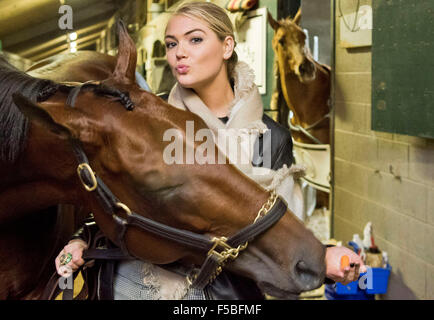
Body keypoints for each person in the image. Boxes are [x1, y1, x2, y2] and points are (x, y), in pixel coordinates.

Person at [55, 1, 365, 300]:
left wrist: (323, 255)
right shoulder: (150, 122)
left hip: (225, 291)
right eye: (172, 44)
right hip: (140, 283)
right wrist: (81, 238)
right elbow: (116, 194)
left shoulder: (270, 137)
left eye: (195, 40)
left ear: (227, 47)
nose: (180, 54)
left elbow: (279, 228)